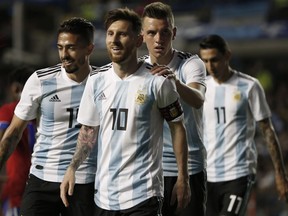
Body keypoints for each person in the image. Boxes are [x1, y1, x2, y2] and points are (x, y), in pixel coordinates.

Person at [60, 7, 191, 216]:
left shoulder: (158, 82)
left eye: (122, 34)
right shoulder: (96, 81)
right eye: (111, 34)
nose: (115, 40)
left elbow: (178, 127)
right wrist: (72, 167)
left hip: (144, 194)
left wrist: (183, 177)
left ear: (138, 41)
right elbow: (88, 131)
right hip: (104, 196)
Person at [0, 17, 98, 216]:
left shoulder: (103, 82)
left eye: (71, 47)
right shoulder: (41, 80)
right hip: (42, 178)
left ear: (89, 49)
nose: (64, 54)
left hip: (84, 180)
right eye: (60, 47)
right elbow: (13, 132)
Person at [199, 34, 288, 216]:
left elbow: (267, 130)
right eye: (205, 61)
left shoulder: (249, 86)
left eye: (214, 60)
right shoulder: (200, 88)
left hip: (238, 173)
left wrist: (280, 173)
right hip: (207, 175)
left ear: (227, 56)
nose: (210, 66)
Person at [141, 2, 207, 216]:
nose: (158, 39)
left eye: (165, 32)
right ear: (142, 35)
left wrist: (175, 82)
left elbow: (198, 99)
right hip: (149, 171)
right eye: (152, 33)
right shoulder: (138, 69)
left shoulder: (190, 64)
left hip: (187, 169)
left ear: (174, 33)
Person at [0, 66, 35, 216]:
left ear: (15, 88)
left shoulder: (10, 110)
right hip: (38, 186)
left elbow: (3, 139)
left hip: (20, 187)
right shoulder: (44, 111)